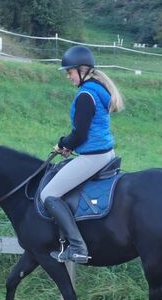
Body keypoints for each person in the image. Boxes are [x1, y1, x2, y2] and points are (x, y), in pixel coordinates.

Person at [40, 45, 125, 264]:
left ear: (83, 70)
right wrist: (70, 145)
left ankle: (77, 247)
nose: (68, 76)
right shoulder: (98, 90)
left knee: (48, 194)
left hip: (93, 156)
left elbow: (80, 132)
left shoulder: (86, 94)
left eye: (70, 72)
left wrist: (63, 144)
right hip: (103, 152)